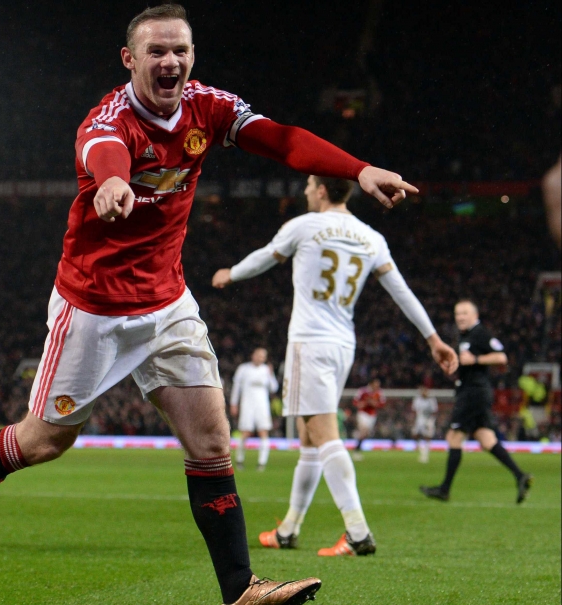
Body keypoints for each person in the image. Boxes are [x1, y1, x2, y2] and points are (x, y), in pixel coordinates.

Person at [0, 5, 421, 602]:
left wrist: (361, 168)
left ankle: (240, 588)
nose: (170, 62)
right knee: (44, 441)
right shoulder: (108, 120)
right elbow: (104, 153)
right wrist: (114, 181)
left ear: (191, 57)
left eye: (180, 51)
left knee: (212, 443)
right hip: (93, 307)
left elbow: (285, 140)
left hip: (167, 304)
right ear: (130, 59)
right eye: (156, 52)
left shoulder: (207, 107)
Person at [212, 175, 458, 557]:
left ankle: (357, 532)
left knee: (323, 433)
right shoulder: (371, 237)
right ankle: (289, 529)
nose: (306, 191)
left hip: (309, 341)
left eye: (310, 185)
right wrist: (432, 338)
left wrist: (232, 273)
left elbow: (266, 256)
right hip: (344, 343)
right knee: (309, 440)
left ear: (322, 190)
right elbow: (402, 292)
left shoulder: (305, 226)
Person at [421, 300, 533, 503]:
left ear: (475, 315)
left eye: (464, 313)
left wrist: (476, 360)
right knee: (486, 438)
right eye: (457, 314)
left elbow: (501, 357)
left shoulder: (480, 333)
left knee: (454, 437)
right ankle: (520, 476)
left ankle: (444, 489)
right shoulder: (465, 336)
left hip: (474, 393)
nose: (460, 317)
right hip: (471, 391)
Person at [230, 348, 278, 471]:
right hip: (247, 405)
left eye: (263, 356)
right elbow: (236, 388)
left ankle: (262, 463)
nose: (260, 358)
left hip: (262, 405)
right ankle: (239, 461)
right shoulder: (243, 369)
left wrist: (271, 374)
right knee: (245, 433)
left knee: (263, 432)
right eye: (258, 355)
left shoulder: (266, 370)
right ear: (253, 355)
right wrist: (234, 403)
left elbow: (273, 388)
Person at [351, 378, 385, 461]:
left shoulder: (379, 392)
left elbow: (382, 404)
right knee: (364, 430)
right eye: (376, 384)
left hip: (372, 415)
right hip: (363, 413)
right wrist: (360, 404)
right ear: (371, 384)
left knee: (365, 434)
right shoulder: (363, 391)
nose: (377, 386)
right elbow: (355, 401)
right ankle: (356, 451)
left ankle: (357, 445)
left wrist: (375, 404)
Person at [411, 385, 438, 463]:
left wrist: (430, 421)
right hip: (419, 419)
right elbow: (414, 411)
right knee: (415, 435)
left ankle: (425, 454)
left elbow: (434, 411)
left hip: (429, 419)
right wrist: (414, 420)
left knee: (427, 436)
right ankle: (422, 450)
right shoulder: (417, 400)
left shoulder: (432, 400)